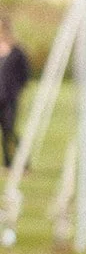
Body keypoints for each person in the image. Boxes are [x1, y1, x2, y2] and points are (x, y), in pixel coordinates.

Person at [0, 18, 31, 169]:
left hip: (10, 97)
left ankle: (23, 161)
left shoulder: (17, 51)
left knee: (9, 129)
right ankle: (7, 162)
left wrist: (17, 90)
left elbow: (24, 74)